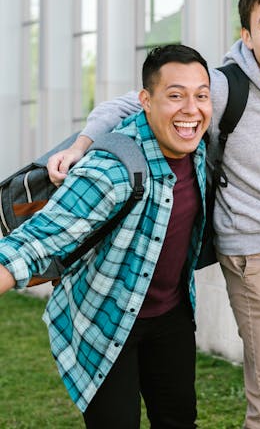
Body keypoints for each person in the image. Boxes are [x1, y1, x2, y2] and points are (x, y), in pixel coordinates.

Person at [48, 0, 260, 429]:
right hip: (254, 255)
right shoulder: (224, 87)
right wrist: (81, 145)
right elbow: (132, 105)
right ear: (246, 36)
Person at [0, 44, 212, 428]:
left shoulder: (196, 145)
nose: (191, 109)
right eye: (175, 96)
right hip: (104, 318)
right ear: (145, 101)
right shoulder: (112, 167)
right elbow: (38, 239)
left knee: (179, 421)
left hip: (171, 314)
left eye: (201, 95)